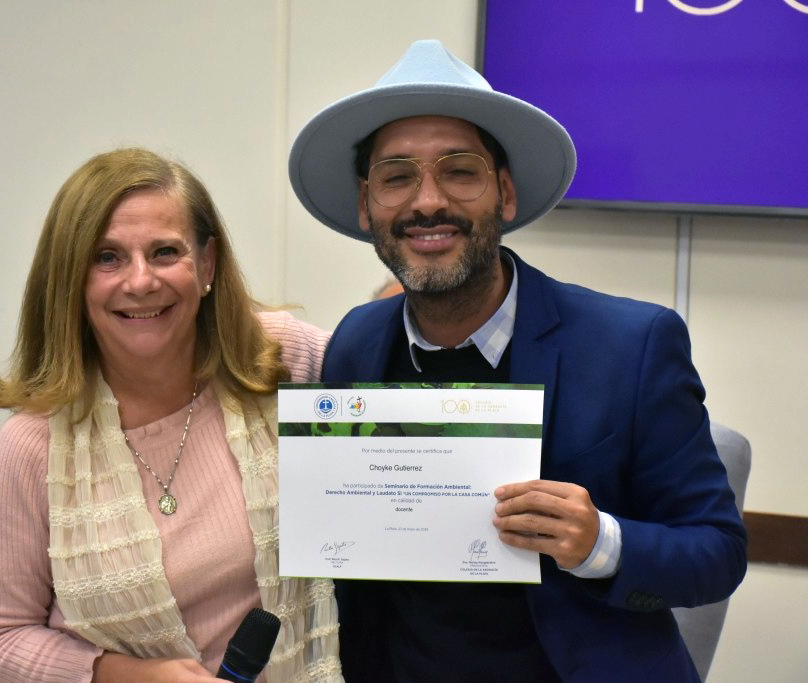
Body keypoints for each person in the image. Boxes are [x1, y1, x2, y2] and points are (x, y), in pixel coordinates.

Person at [288, 40, 746, 682]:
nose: (427, 201)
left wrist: (599, 543)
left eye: (459, 171)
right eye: (396, 177)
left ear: (504, 194)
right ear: (367, 207)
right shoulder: (356, 341)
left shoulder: (632, 344)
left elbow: (718, 553)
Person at [0, 148, 342, 683]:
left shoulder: (278, 359)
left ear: (207, 264)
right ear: (69, 278)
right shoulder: (33, 445)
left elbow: (414, 402)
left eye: (165, 252)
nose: (140, 282)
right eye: (107, 257)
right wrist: (126, 676)